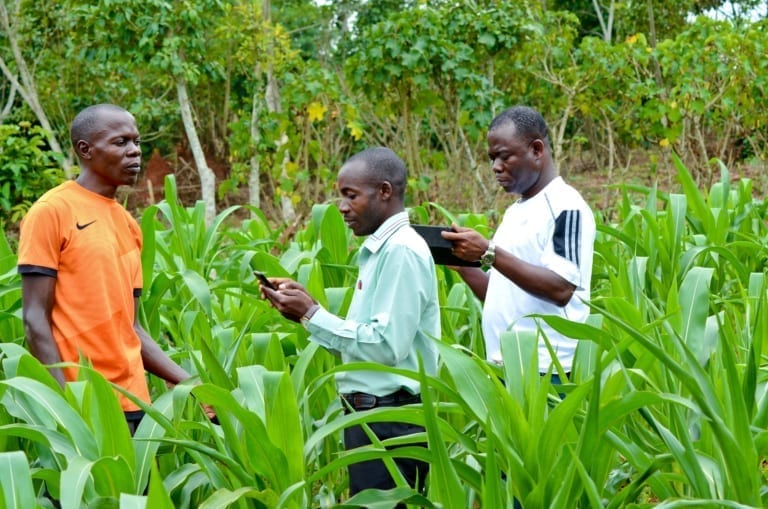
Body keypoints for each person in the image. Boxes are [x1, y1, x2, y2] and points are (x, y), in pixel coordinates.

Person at [261, 147, 440, 497]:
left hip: (389, 422)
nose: (341, 207)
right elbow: (368, 336)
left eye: (350, 195)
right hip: (374, 419)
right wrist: (307, 311)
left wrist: (313, 315)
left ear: (385, 191)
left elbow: (386, 346)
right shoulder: (383, 249)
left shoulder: (400, 251)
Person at [18, 104, 196, 434]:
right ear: (85, 149)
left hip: (136, 403)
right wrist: (67, 406)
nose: (134, 152)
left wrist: (189, 383)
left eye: (137, 142)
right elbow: (34, 319)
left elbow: (131, 328)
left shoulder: (128, 226)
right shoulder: (52, 211)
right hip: (86, 405)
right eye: (121, 142)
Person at [443, 105, 595, 381]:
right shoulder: (516, 211)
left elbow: (561, 288)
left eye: (504, 157)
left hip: (547, 371)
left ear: (537, 150)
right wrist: (465, 266)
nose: (495, 167)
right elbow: (502, 295)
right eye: (491, 159)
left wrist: (488, 252)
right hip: (507, 366)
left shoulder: (566, 207)